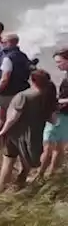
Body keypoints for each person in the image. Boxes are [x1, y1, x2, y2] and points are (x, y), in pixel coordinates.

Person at [0, 68, 56, 192]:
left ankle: (0, 190)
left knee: (8, 161)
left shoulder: (24, 96)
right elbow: (53, 120)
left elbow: (13, 118)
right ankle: (20, 182)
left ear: (33, 81)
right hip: (35, 135)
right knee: (26, 159)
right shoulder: (49, 95)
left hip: (16, 135)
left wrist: (2, 131)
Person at [0, 32, 34, 139]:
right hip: (20, 91)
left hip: (5, 93)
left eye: (3, 42)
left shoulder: (7, 58)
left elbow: (4, 80)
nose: (1, 44)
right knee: (2, 114)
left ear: (10, 43)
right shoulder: (23, 56)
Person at [41, 48, 68, 177]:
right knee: (59, 146)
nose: (57, 65)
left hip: (61, 114)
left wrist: (58, 101)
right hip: (65, 114)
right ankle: (51, 173)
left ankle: (41, 174)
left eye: (59, 62)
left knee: (48, 146)